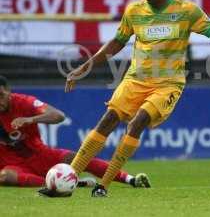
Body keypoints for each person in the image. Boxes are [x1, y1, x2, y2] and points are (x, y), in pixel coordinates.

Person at [65, 0, 210, 197]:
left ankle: (103, 185)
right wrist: (85, 66)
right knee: (108, 119)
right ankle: (68, 177)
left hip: (167, 85)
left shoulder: (186, 11)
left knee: (137, 122)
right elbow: (116, 43)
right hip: (135, 80)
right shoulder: (134, 11)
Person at [0, 75, 149, 196]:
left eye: (1, 95)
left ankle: (131, 179)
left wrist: (30, 119)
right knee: (5, 176)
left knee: (78, 158)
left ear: (8, 91)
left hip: (40, 156)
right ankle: (62, 183)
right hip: (11, 164)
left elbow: (58, 115)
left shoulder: (24, 102)